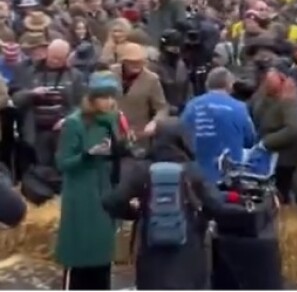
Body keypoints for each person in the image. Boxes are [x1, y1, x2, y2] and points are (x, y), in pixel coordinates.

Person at [102, 119, 226, 290]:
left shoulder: (143, 170)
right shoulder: (192, 170)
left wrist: (134, 212)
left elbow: (111, 201)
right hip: (189, 252)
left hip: (151, 251)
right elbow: (217, 205)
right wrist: (202, 217)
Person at [55, 71, 123, 290]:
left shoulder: (111, 120)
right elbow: (63, 162)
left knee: (103, 255)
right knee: (82, 255)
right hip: (82, 195)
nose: (109, 102)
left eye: (112, 97)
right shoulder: (75, 123)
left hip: (105, 191)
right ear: (92, 98)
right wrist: (88, 155)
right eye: (104, 97)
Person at [13, 39, 86, 169]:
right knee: (41, 165)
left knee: (62, 164)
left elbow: (83, 104)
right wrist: (32, 93)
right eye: (53, 57)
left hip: (63, 128)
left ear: (67, 58)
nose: (55, 61)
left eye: (59, 59)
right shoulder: (30, 72)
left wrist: (68, 119)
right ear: (47, 53)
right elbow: (16, 99)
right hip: (36, 128)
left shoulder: (75, 76)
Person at [180, 67, 256, 184]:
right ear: (230, 86)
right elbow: (250, 140)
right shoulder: (240, 108)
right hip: (229, 176)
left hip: (197, 177)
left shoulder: (192, 106)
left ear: (207, 84)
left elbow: (181, 134)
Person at [249, 59, 297, 203]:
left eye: (272, 73)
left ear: (281, 77)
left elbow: (293, 129)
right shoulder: (262, 93)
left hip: (283, 156)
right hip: (264, 149)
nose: (268, 76)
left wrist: (266, 143)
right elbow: (250, 109)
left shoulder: (289, 99)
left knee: (280, 192)